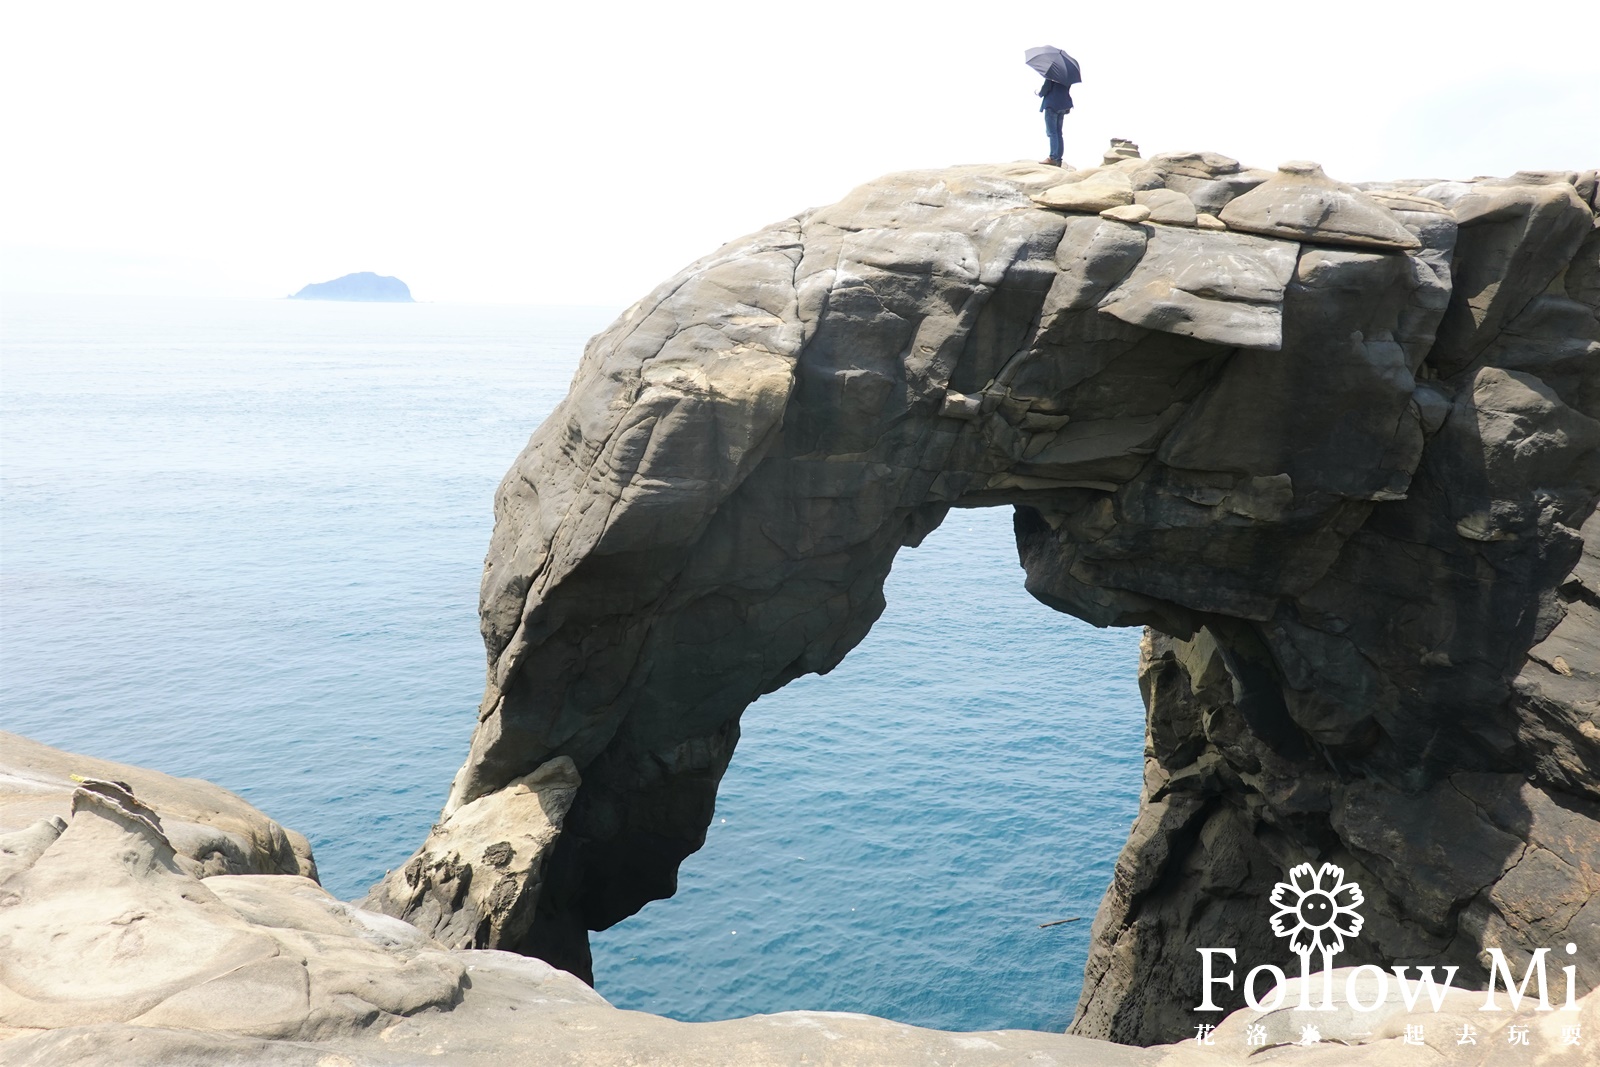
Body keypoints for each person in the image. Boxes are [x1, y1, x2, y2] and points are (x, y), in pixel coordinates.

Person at [1038, 76, 1073, 166]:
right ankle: (1058, 159)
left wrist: (1039, 93)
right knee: (1058, 133)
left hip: (1052, 105)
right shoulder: (1067, 75)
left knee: (1052, 132)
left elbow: (1046, 88)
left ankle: (1052, 158)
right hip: (1063, 105)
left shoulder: (1052, 74)